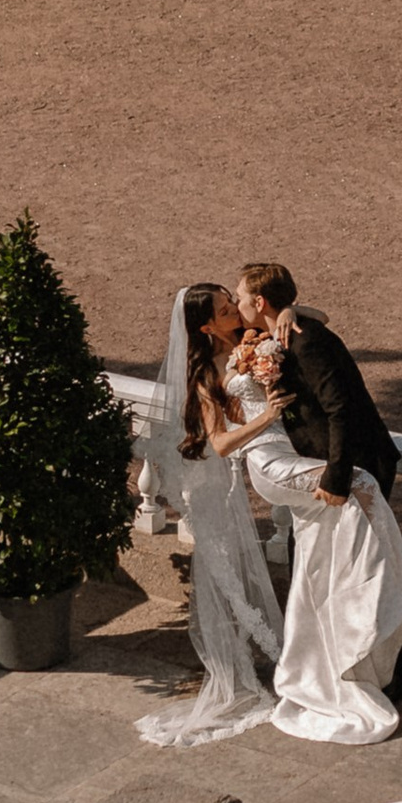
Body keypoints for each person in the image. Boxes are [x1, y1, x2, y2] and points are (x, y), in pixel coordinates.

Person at [234, 262, 402, 745]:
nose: (236, 304)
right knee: (317, 569)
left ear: (260, 302)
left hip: (356, 469)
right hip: (313, 471)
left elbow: (342, 410)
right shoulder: (279, 332)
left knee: (362, 575)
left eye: (241, 297)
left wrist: (337, 477)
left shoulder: (305, 340)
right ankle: (345, 668)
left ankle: (384, 676)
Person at [136, 282, 283, 748]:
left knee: (238, 571)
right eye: (224, 311)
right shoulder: (201, 376)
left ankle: (256, 660)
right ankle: (241, 670)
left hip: (225, 488)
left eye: (229, 304)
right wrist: (267, 417)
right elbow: (219, 443)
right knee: (225, 577)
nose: (234, 315)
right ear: (205, 326)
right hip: (209, 492)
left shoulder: (238, 351)